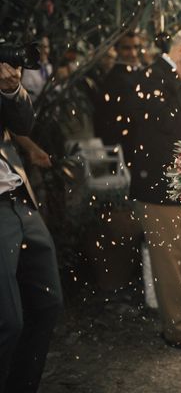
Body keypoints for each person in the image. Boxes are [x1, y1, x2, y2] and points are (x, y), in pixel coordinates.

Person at [125, 26, 181, 355]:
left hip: (173, 184)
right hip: (158, 187)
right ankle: (178, 330)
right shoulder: (152, 76)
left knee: (178, 256)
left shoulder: (169, 77)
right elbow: (169, 122)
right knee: (169, 260)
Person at [0, 62, 63, 393]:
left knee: (47, 303)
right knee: (8, 322)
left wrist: (11, 89)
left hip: (18, 198)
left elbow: (23, 123)